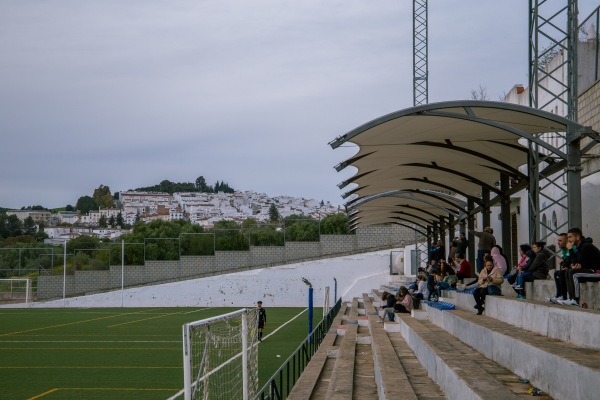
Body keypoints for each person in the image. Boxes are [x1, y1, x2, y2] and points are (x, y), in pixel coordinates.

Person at [559, 227, 600, 306]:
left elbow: (578, 262)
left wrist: (570, 249)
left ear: (577, 237)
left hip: (597, 271)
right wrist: (574, 265)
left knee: (574, 273)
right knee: (568, 272)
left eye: (570, 237)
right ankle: (571, 298)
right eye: (568, 237)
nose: (568, 240)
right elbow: (576, 262)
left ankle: (575, 300)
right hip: (590, 270)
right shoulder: (579, 247)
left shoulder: (586, 246)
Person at [547, 233, 571, 303]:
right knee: (556, 273)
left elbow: (570, 260)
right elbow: (564, 262)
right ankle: (558, 295)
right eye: (558, 240)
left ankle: (564, 296)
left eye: (560, 241)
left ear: (566, 241)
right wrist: (563, 263)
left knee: (560, 273)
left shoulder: (572, 248)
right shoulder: (564, 250)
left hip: (573, 269)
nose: (558, 243)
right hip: (567, 268)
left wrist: (563, 263)